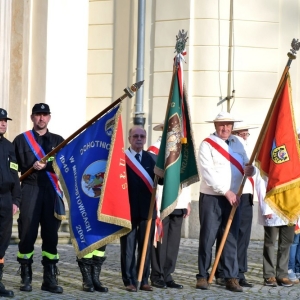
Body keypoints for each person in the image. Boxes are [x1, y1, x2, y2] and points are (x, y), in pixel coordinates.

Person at [195, 111, 255, 293]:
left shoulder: (238, 142)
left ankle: (231, 276)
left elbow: (246, 163)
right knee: (208, 237)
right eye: (222, 125)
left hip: (234, 198)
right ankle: (203, 276)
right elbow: (207, 173)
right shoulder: (207, 144)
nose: (225, 128)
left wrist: (251, 170)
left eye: (229, 124)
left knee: (231, 238)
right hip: (212, 197)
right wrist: (225, 191)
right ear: (215, 126)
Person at [13, 103, 65, 294]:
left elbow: (65, 166)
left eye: (44, 115)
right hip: (29, 189)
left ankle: (49, 279)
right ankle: (26, 276)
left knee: (51, 235)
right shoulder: (20, 141)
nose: (41, 118)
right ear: (32, 117)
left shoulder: (59, 141)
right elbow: (13, 170)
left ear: (49, 117)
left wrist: (49, 167)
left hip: (51, 190)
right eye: (38, 115)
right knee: (27, 232)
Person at [215, 121, 258, 287]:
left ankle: (239, 272)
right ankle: (222, 271)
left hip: (246, 193)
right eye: (241, 133)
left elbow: (252, 169)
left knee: (243, 236)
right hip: (231, 193)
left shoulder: (246, 145)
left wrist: (251, 169)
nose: (244, 136)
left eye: (246, 133)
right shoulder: (225, 144)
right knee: (226, 234)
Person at [149, 122, 191, 289]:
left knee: (173, 241)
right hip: (161, 201)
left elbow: (185, 179)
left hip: (179, 201)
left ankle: (168, 273)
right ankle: (156, 273)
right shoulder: (155, 150)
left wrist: (187, 201)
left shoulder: (181, 150)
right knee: (160, 239)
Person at [120, 126, 156, 292]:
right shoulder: (121, 159)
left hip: (147, 211)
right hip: (126, 210)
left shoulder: (152, 159)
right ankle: (129, 280)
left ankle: (144, 278)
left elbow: (159, 183)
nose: (139, 139)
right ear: (129, 139)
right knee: (128, 247)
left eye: (142, 136)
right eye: (135, 136)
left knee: (146, 246)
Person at [257, 175, 295, 287]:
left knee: (286, 243)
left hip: (290, 208)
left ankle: (282, 274)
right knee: (270, 243)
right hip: (273, 206)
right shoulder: (268, 160)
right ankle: (269, 274)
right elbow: (261, 183)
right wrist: (265, 208)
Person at [0, 108, 21, 298]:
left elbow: (14, 173)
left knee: (2, 241)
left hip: (5, 199)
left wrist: (16, 199)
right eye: (0, 120)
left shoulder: (8, 146)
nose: (3, 123)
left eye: (5, 120)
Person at [287, 128, 300, 283]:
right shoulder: (293, 156)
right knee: (294, 240)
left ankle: (298, 268)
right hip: (295, 202)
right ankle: (290, 268)